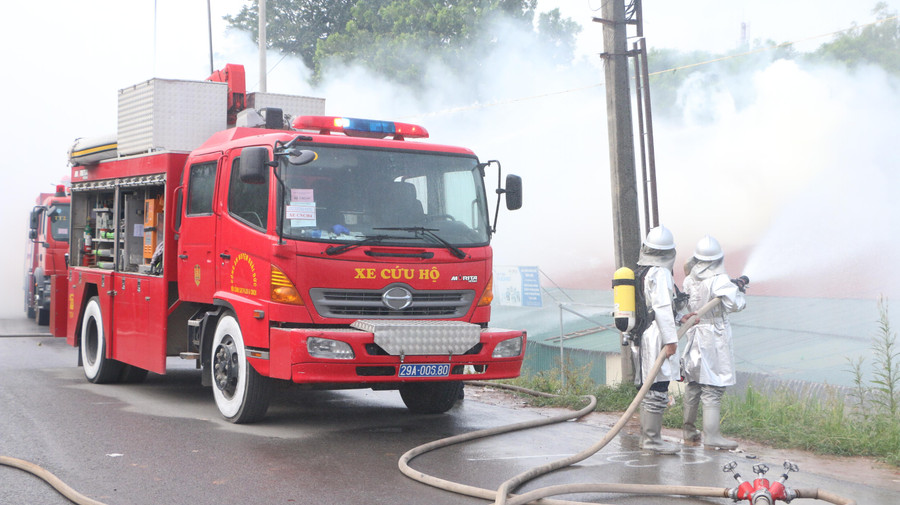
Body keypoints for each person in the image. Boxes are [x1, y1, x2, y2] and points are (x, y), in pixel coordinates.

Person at [680, 235, 746, 450]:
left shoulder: (689, 278)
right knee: (713, 386)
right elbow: (735, 305)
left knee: (694, 383)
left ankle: (689, 431)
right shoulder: (719, 280)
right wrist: (739, 291)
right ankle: (712, 436)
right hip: (714, 335)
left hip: (694, 331)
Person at [634, 225, 685, 454]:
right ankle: (652, 440)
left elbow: (667, 307)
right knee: (658, 386)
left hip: (647, 332)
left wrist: (683, 318)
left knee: (651, 385)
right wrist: (671, 340)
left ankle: (648, 438)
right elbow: (663, 308)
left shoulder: (643, 270)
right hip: (657, 334)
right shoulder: (660, 272)